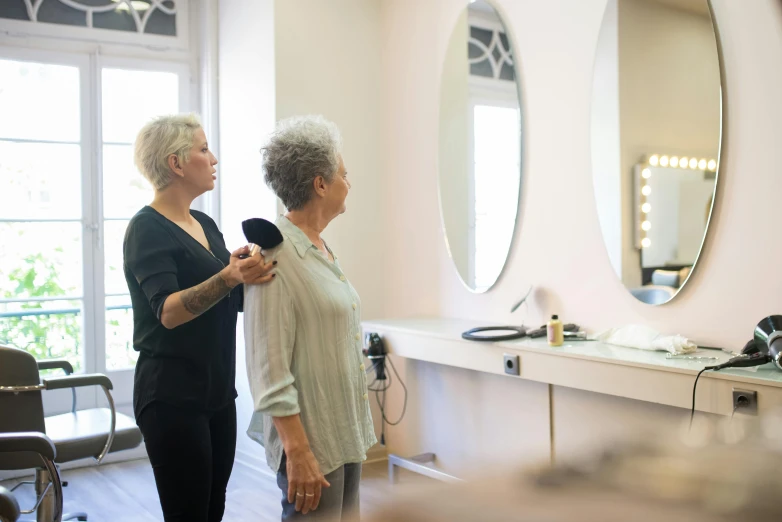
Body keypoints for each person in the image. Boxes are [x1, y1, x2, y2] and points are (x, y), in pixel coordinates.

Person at [124, 113, 275, 521]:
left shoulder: (204, 224)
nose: (214, 159)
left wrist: (254, 273)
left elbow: (229, 296)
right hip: (171, 397)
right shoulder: (147, 228)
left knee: (213, 509)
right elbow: (169, 312)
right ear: (175, 164)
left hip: (216, 392)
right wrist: (228, 276)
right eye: (203, 149)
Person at [245, 115, 375, 521]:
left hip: (343, 430)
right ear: (320, 184)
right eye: (343, 174)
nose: (348, 182)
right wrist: (297, 452)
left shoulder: (319, 249)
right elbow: (269, 370)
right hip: (312, 442)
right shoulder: (274, 258)